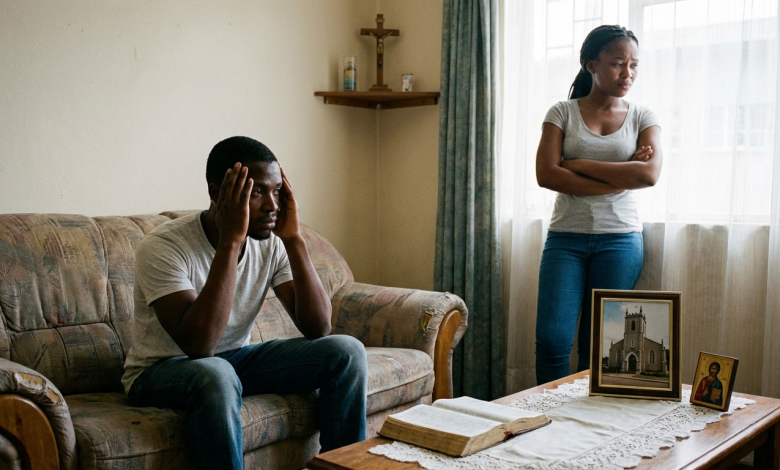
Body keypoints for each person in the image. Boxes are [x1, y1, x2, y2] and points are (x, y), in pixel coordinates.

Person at [121, 136, 368, 469]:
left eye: (277, 191)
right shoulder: (164, 246)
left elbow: (318, 326)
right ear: (216, 194)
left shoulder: (270, 241)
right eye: (257, 192)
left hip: (234, 361)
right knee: (216, 372)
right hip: (159, 373)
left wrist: (294, 240)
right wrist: (231, 241)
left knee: (346, 351)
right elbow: (200, 346)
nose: (272, 205)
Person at [534, 25, 663, 385]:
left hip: (619, 241)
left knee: (601, 345)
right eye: (618, 63)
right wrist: (623, 173)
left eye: (634, 65)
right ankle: (549, 417)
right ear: (591, 64)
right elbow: (547, 175)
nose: (628, 73)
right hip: (566, 239)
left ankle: (589, 422)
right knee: (552, 341)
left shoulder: (642, 116)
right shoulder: (562, 112)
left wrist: (577, 165)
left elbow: (649, 176)